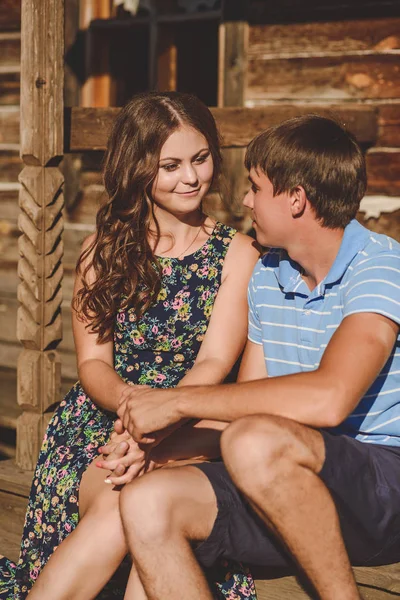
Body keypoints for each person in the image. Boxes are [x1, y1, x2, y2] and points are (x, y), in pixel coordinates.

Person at [110, 114, 400, 600]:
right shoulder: (268, 276)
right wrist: (157, 449)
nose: (244, 200)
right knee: (148, 502)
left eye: (255, 187)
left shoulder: (381, 265)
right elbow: (244, 405)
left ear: (295, 198)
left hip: (381, 482)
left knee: (255, 438)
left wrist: (180, 402)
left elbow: (331, 399)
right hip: (282, 481)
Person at [0, 91, 259, 600]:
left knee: (137, 502)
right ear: (137, 168)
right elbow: (94, 364)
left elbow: (213, 362)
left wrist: (158, 423)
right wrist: (133, 416)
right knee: (120, 499)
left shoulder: (236, 254)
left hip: (193, 423)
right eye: (170, 165)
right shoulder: (104, 249)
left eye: (201, 159)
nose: (191, 177)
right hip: (104, 418)